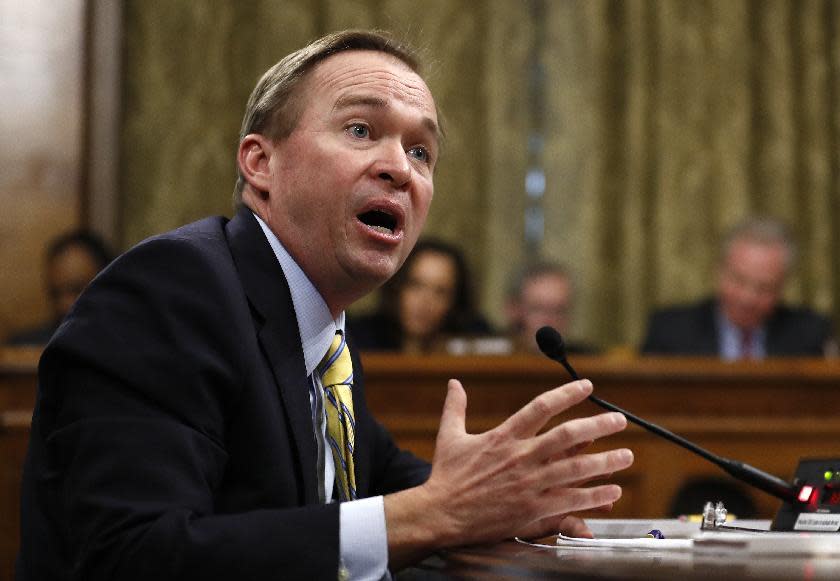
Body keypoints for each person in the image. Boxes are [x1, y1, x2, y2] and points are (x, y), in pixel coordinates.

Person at [18, 30, 633, 580]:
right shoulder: (170, 292)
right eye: (362, 130)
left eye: (422, 152)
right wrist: (427, 516)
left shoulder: (323, 338)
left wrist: (505, 501)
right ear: (262, 163)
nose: (400, 168)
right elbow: (132, 556)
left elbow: (395, 484)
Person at [641, 217, 834, 359]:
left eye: (764, 288)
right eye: (739, 281)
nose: (747, 298)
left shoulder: (810, 334)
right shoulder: (671, 331)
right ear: (719, 272)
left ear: (782, 286)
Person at [350, 238, 493, 353]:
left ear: (455, 302)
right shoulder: (358, 337)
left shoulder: (473, 339)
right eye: (416, 285)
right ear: (397, 287)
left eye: (440, 291)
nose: (425, 302)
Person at [5, 230, 112, 346]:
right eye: (55, 294)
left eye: (76, 290)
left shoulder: (128, 346)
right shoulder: (25, 348)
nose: (64, 305)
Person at [505, 262, 596, 355]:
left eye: (559, 311)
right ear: (513, 309)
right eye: (538, 309)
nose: (550, 321)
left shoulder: (587, 362)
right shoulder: (494, 359)